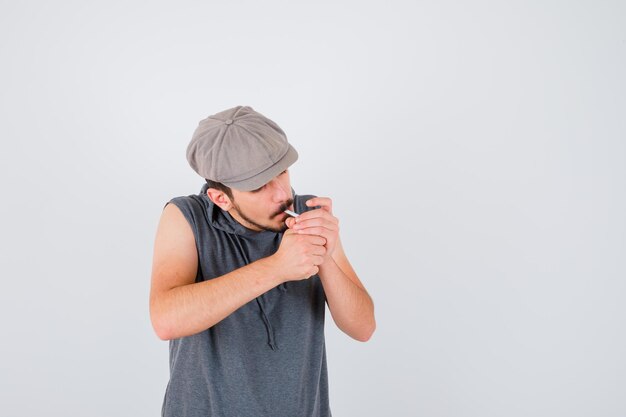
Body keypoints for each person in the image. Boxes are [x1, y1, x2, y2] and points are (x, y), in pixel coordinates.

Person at [149, 105, 376, 417]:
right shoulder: (186, 217)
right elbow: (165, 320)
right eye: (258, 186)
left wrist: (324, 257)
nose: (281, 193)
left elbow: (363, 328)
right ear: (221, 198)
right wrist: (277, 268)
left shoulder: (309, 212)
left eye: (281, 171)